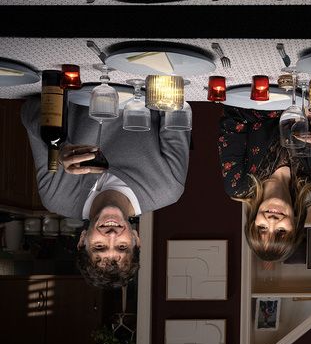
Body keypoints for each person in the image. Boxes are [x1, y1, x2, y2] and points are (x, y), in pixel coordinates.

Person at [22, 96, 189, 288]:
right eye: (122, 247)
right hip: (143, 76)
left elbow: (30, 109)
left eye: (99, 247)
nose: (111, 235)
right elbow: (177, 105)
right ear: (136, 239)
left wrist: (57, 147)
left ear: (82, 240)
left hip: (80, 76)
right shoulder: (167, 188)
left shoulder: (56, 196)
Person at [218, 104, 311, 261]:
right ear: (296, 225)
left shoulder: (238, 184)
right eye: (281, 232)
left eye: (262, 228)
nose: (272, 222)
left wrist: (290, 110)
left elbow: (233, 114)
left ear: (253, 221)